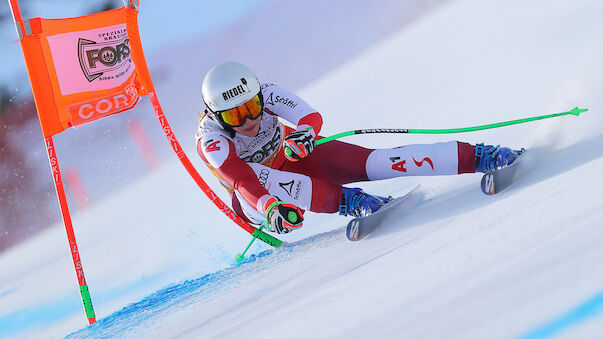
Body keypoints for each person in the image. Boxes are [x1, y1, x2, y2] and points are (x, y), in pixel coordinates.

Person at [196, 61, 522, 234]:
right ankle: (352, 202)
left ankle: (481, 156)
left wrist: (306, 134)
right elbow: (242, 180)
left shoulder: (267, 92)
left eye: (253, 106)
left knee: (376, 162)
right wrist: (269, 208)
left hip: (293, 159)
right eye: (235, 115)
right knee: (263, 176)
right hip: (258, 198)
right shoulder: (211, 140)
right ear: (215, 115)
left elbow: (308, 116)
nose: (249, 118)